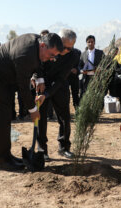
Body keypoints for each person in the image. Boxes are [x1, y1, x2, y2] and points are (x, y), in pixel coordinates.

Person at [0, 33, 64, 171]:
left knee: (5, 115)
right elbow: (23, 88)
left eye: (55, 56)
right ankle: (2, 161)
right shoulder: (25, 54)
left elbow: (39, 61)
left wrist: (39, 78)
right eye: (51, 55)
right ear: (43, 45)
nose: (51, 59)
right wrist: (33, 110)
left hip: (4, 77)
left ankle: (6, 155)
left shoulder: (37, 41)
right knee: (2, 117)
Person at [35, 29, 80, 161]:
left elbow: (61, 78)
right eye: (64, 47)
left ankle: (64, 147)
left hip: (60, 86)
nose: (66, 50)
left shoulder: (74, 55)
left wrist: (48, 94)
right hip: (42, 84)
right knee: (41, 118)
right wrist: (38, 78)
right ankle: (42, 150)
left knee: (65, 117)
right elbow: (38, 64)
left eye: (69, 48)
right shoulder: (48, 46)